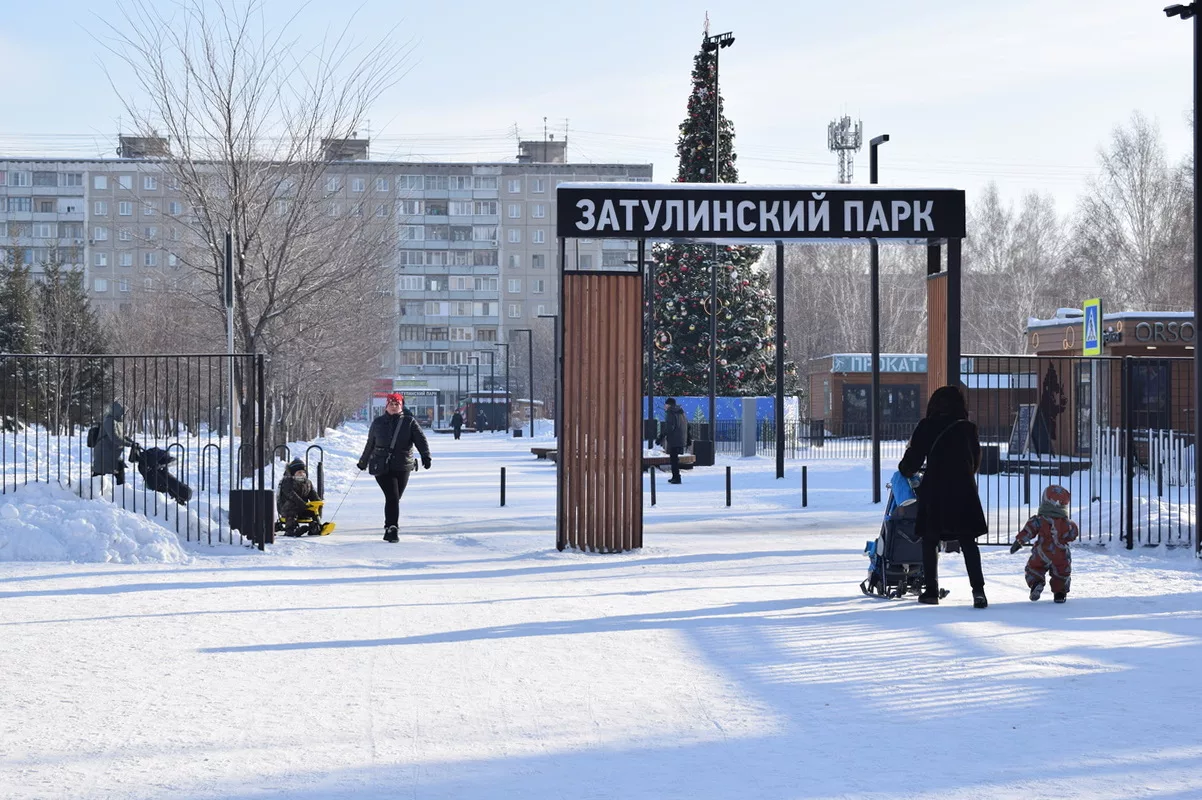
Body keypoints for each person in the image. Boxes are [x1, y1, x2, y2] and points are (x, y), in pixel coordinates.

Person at [898, 384, 989, 608]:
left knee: (930, 539)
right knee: (968, 541)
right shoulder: (968, 428)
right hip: (964, 490)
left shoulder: (927, 426)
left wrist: (905, 468)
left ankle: (930, 591)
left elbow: (911, 463)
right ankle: (978, 591)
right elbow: (975, 461)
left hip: (935, 490)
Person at [357, 393, 431, 542]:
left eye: (396, 404)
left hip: (402, 465)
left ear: (401, 406)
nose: (394, 406)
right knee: (392, 496)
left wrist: (425, 456)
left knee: (395, 498)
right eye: (391, 404)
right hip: (381, 465)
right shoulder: (378, 422)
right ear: (386, 406)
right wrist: (363, 461)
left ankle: (390, 525)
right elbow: (370, 443)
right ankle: (391, 528)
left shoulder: (409, 422)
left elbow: (420, 440)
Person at [1010, 484, 1079, 603]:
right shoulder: (1067, 523)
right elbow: (1073, 534)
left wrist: (1019, 541)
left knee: (1034, 568)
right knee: (1062, 573)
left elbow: (1029, 530)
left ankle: (1036, 583)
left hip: (1042, 551)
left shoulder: (1039, 520)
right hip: (1061, 553)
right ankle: (1060, 593)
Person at [277, 458, 320, 537]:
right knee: (292, 506)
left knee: (313, 509)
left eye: (303, 472)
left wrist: (317, 501)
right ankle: (290, 529)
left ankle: (315, 526)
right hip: (287, 508)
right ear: (293, 473)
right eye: (299, 472)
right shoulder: (287, 482)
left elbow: (312, 493)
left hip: (303, 507)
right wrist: (302, 504)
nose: (302, 474)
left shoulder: (307, 482)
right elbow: (292, 495)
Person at [90, 401, 129, 486]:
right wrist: (129, 444)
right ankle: (90, 490)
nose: (124, 414)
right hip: (104, 452)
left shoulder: (118, 422)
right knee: (98, 474)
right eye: (122, 412)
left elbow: (122, 436)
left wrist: (132, 442)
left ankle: (121, 490)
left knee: (120, 470)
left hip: (113, 452)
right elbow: (115, 438)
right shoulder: (109, 421)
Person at [660, 397, 690, 485]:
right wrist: (687, 438)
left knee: (673, 459)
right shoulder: (681, 412)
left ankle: (676, 477)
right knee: (675, 459)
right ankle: (676, 476)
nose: (664, 406)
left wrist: (661, 436)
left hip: (674, 439)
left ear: (669, 405)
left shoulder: (671, 413)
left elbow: (670, 427)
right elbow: (688, 426)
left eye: (665, 405)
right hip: (681, 438)